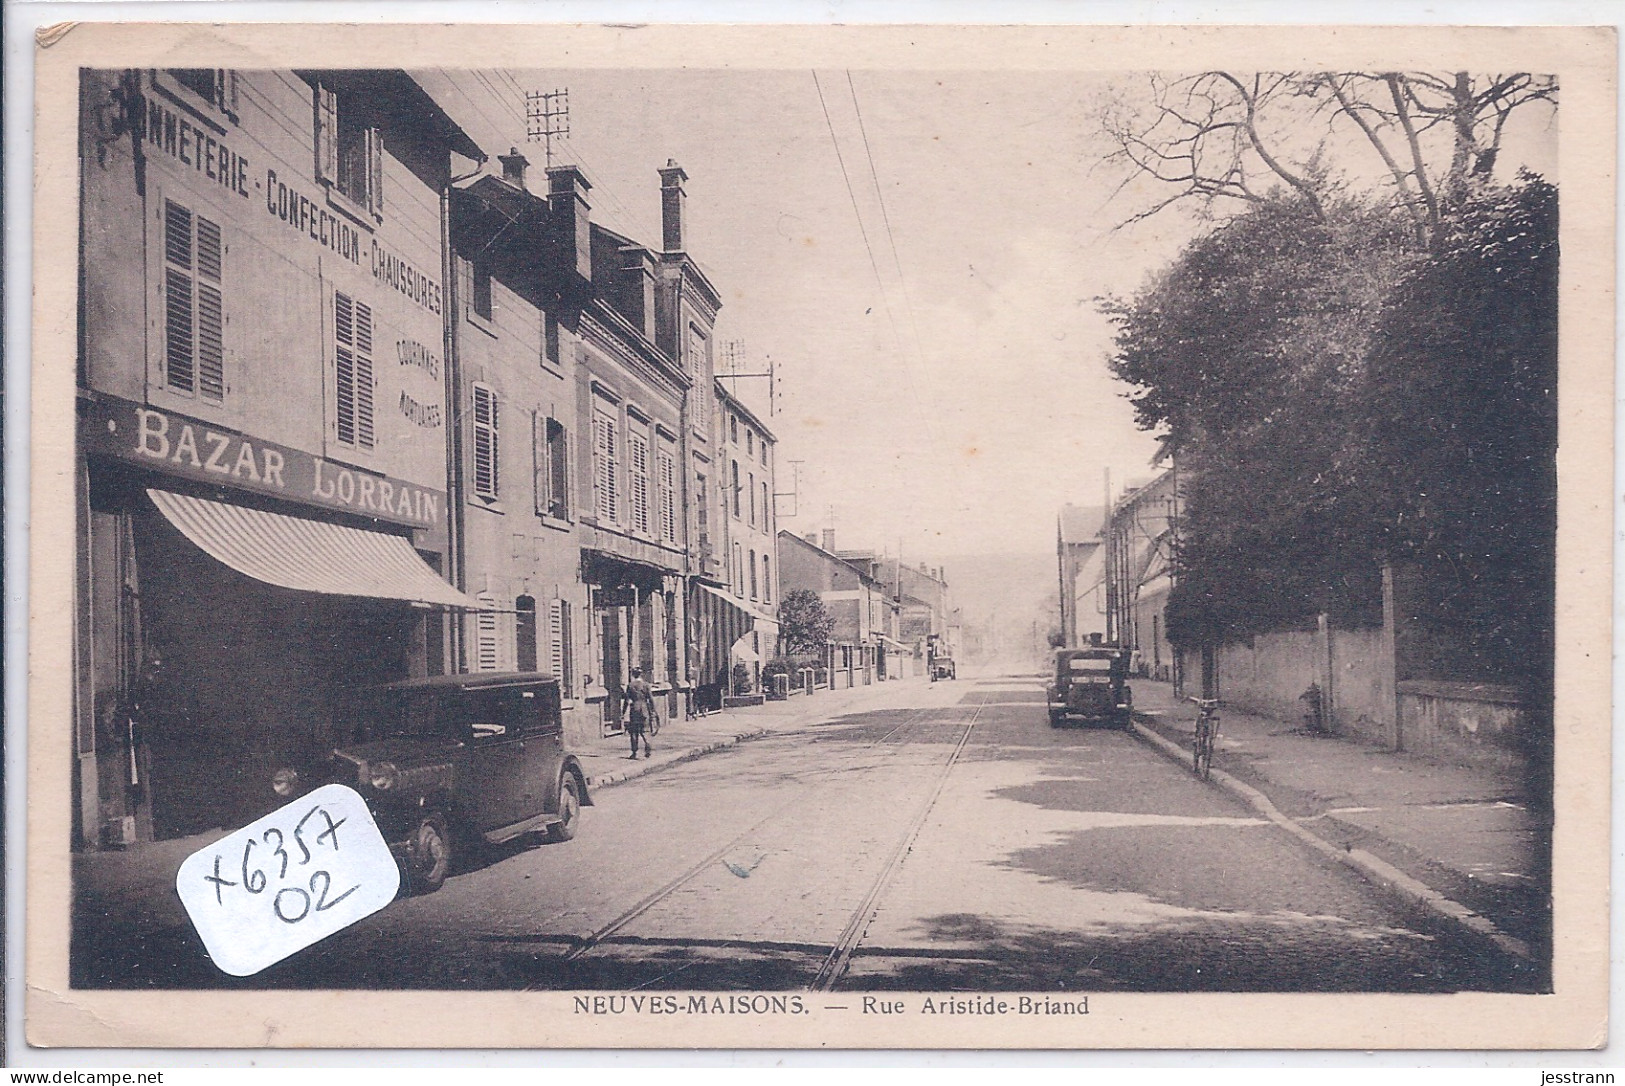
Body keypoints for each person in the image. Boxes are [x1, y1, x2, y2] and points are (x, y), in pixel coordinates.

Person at [623, 667, 655, 759]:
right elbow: (651, 699)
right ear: (641, 674)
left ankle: (634, 752)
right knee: (645, 730)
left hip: (635, 710)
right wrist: (653, 711)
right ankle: (648, 748)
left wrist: (623, 712)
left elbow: (626, 700)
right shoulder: (646, 685)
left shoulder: (630, 685)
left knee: (634, 732)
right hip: (644, 709)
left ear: (633, 674)